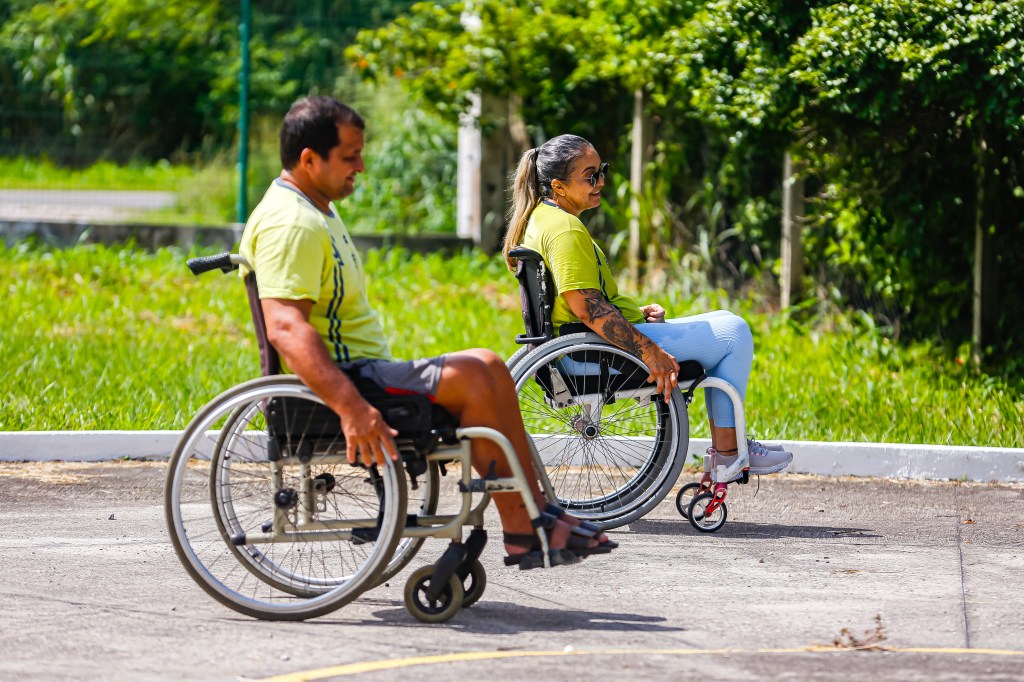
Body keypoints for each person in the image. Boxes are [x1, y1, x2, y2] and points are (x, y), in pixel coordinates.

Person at [238, 97, 615, 570]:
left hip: (365, 370)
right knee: (474, 378)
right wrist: (352, 410)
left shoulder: (316, 211)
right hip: (351, 382)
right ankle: (523, 525)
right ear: (310, 159)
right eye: (349, 156)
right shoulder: (290, 223)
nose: (361, 165)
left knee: (490, 365)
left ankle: (539, 512)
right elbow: (287, 329)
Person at [502, 134, 793, 476]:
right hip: (590, 352)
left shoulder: (541, 218)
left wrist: (635, 315)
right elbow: (586, 308)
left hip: (578, 345)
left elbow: (580, 304)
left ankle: (730, 447)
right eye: (590, 175)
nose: (601, 182)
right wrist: (647, 350)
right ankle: (730, 452)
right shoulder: (566, 230)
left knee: (725, 319)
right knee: (734, 334)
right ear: (559, 186)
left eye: (602, 171)